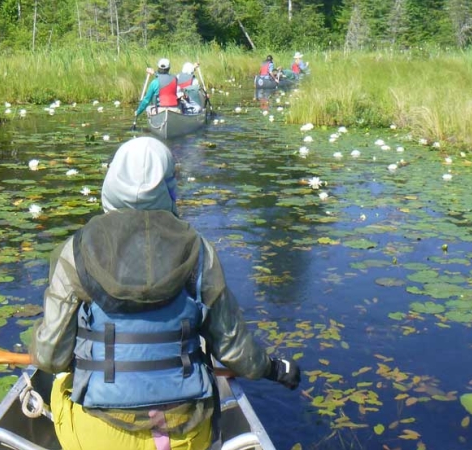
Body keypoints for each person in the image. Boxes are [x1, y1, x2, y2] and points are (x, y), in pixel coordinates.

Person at [31, 136, 301, 450]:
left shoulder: (75, 251)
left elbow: (51, 357)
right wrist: (272, 367)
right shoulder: (200, 251)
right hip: (184, 435)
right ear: (168, 187)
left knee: (61, 381)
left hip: (100, 439)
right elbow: (234, 351)